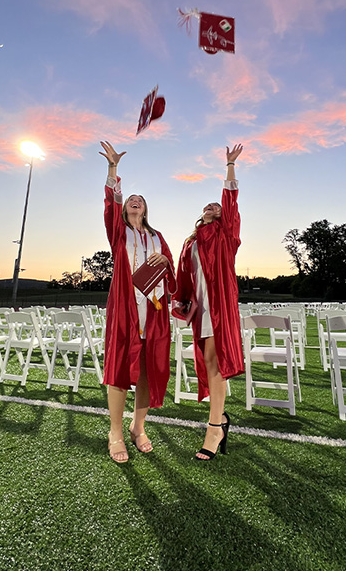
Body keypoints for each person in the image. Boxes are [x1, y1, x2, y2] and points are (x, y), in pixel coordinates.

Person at [100, 141, 176, 463]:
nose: (135, 202)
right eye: (130, 199)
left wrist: (164, 262)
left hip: (154, 311)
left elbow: (173, 275)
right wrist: (113, 169)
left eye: (139, 200)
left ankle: (138, 426)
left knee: (150, 369)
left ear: (145, 209)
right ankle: (115, 432)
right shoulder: (119, 233)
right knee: (118, 367)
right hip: (125, 309)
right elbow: (109, 204)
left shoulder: (158, 237)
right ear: (125, 208)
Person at [173, 144, 244, 460]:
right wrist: (179, 302)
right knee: (210, 365)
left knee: (215, 365)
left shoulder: (226, 235)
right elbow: (183, 280)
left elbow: (230, 200)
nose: (213, 206)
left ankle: (215, 427)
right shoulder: (190, 243)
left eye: (217, 205)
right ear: (199, 215)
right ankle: (221, 421)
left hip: (219, 309)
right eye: (208, 205)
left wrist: (229, 165)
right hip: (200, 311)